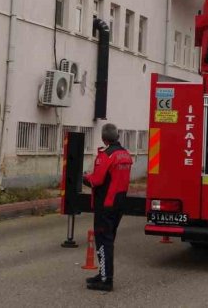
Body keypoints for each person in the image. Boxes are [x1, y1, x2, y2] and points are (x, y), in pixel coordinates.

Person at [83, 123, 133, 292]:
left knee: (103, 241)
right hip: (119, 203)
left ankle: (106, 279)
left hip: (106, 204)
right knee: (109, 239)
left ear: (104, 138)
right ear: (117, 137)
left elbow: (96, 180)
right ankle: (103, 273)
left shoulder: (106, 155)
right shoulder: (125, 154)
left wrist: (83, 177)